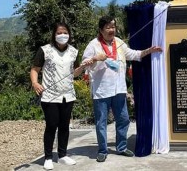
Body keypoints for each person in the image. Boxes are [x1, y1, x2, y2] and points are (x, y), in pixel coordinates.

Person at [82, 15, 162, 162]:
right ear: (101, 30)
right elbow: (85, 64)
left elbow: (133, 54)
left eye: (113, 27)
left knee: (123, 119)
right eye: (108, 27)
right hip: (101, 91)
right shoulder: (93, 45)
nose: (111, 30)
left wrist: (149, 51)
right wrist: (94, 59)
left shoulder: (119, 42)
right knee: (101, 122)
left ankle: (121, 147)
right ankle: (102, 150)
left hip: (119, 89)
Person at [30, 22, 86, 170]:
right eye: (59, 33)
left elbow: (75, 73)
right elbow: (35, 69)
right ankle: (48, 157)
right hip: (49, 95)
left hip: (68, 95)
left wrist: (84, 66)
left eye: (65, 32)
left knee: (64, 126)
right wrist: (35, 83)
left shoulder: (74, 51)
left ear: (69, 34)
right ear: (54, 35)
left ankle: (62, 155)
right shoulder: (45, 50)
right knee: (51, 125)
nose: (62, 35)